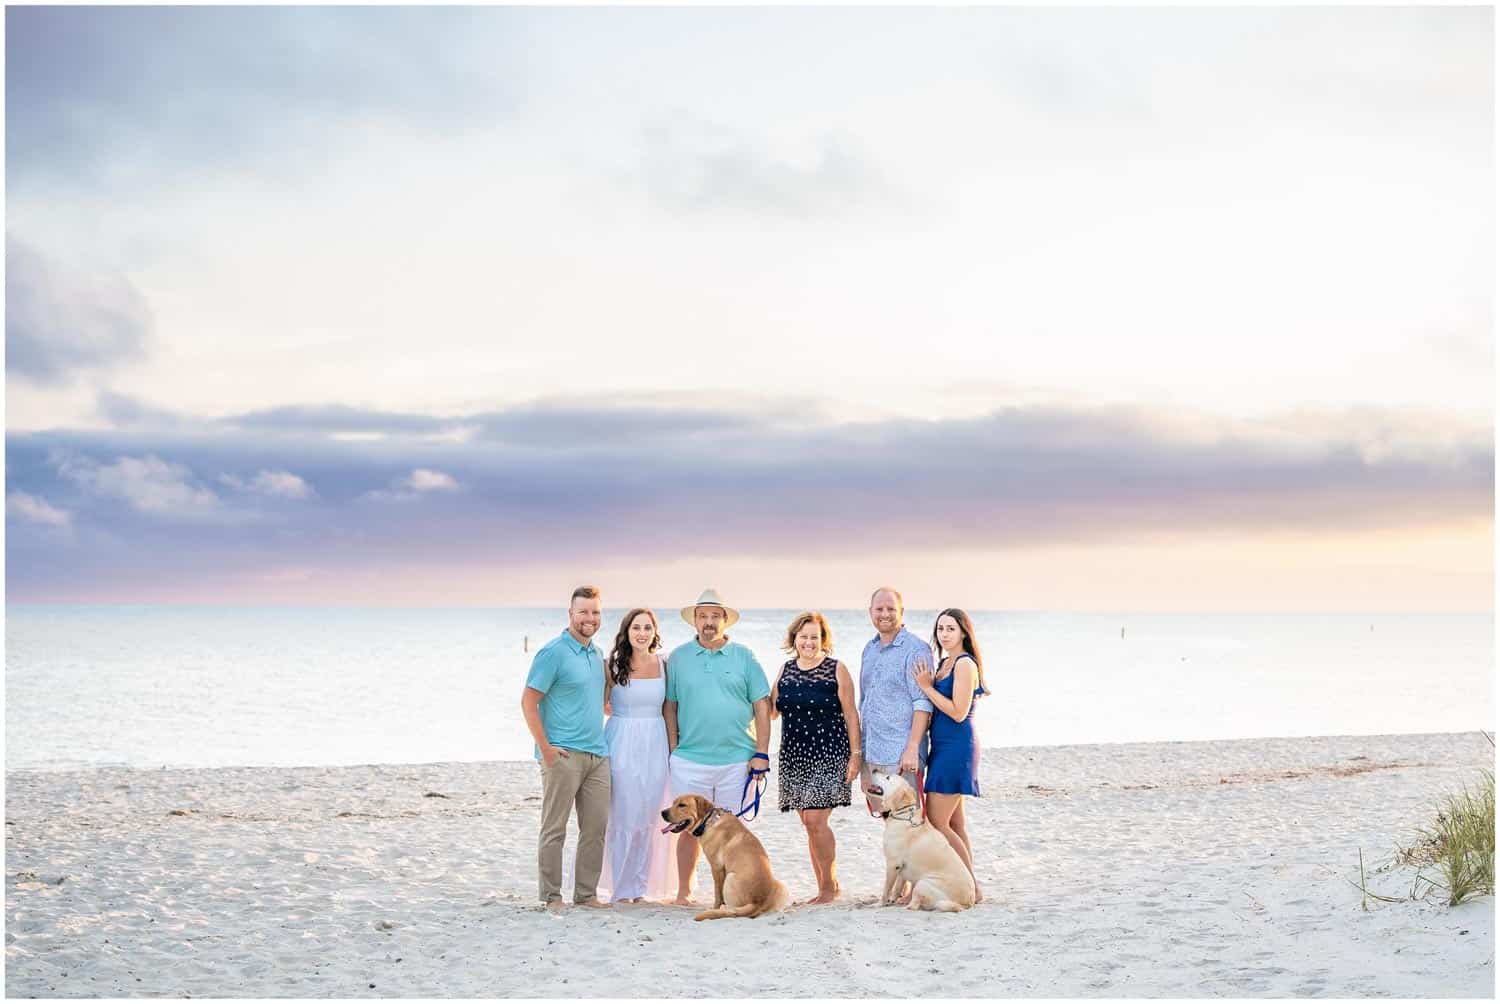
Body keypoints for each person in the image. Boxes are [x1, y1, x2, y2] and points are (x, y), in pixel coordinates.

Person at [663, 588, 771, 906]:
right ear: (694, 620)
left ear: (725, 620)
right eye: (702, 616)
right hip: (689, 759)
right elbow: (670, 706)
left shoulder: (745, 657)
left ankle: (730, 894)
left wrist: (762, 753)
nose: (708, 622)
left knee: (730, 832)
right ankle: (684, 891)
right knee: (686, 828)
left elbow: (762, 706)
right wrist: (673, 750)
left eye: (714, 616)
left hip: (737, 761)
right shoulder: (679, 658)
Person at [519, 585, 611, 911]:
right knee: (554, 828)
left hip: (597, 755)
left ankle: (586, 895)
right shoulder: (553, 652)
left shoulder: (598, 654)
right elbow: (529, 702)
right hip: (563, 755)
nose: (590, 618)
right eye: (584, 611)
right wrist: (545, 750)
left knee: (596, 829)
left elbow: (601, 703)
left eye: (596, 612)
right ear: (570, 614)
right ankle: (551, 896)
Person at [770, 611, 861, 904]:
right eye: (804, 636)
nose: (809, 642)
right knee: (809, 824)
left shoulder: (837, 669)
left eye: (815, 637)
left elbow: (851, 714)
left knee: (815, 820)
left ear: (823, 641)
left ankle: (828, 887)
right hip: (795, 756)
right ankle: (825, 884)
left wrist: (856, 756)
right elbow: (770, 710)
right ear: (794, 638)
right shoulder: (785, 670)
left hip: (830, 753)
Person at [912, 607, 991, 903]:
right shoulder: (945, 663)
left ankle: (970, 885)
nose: (944, 634)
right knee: (955, 824)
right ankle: (973, 887)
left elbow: (958, 712)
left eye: (950, 629)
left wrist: (926, 688)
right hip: (941, 746)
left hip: (958, 747)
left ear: (963, 633)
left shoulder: (965, 665)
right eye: (940, 629)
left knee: (937, 822)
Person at [600, 608, 675, 903]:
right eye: (636, 628)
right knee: (622, 815)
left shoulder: (664, 665)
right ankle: (620, 887)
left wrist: (672, 751)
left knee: (648, 816)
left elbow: (669, 709)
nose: (642, 633)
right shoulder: (611, 665)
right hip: (621, 740)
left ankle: (640, 888)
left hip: (655, 742)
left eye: (647, 628)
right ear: (626, 632)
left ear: (655, 632)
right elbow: (595, 703)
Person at [858, 587, 934, 812]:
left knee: (909, 822)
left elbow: (923, 702)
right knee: (889, 822)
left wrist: (912, 747)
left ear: (901, 611)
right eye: (879, 608)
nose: (885, 614)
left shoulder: (916, 649)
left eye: (891, 608)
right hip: (873, 753)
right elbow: (865, 703)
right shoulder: (869, 649)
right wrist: (862, 756)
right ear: (870, 611)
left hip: (902, 755)